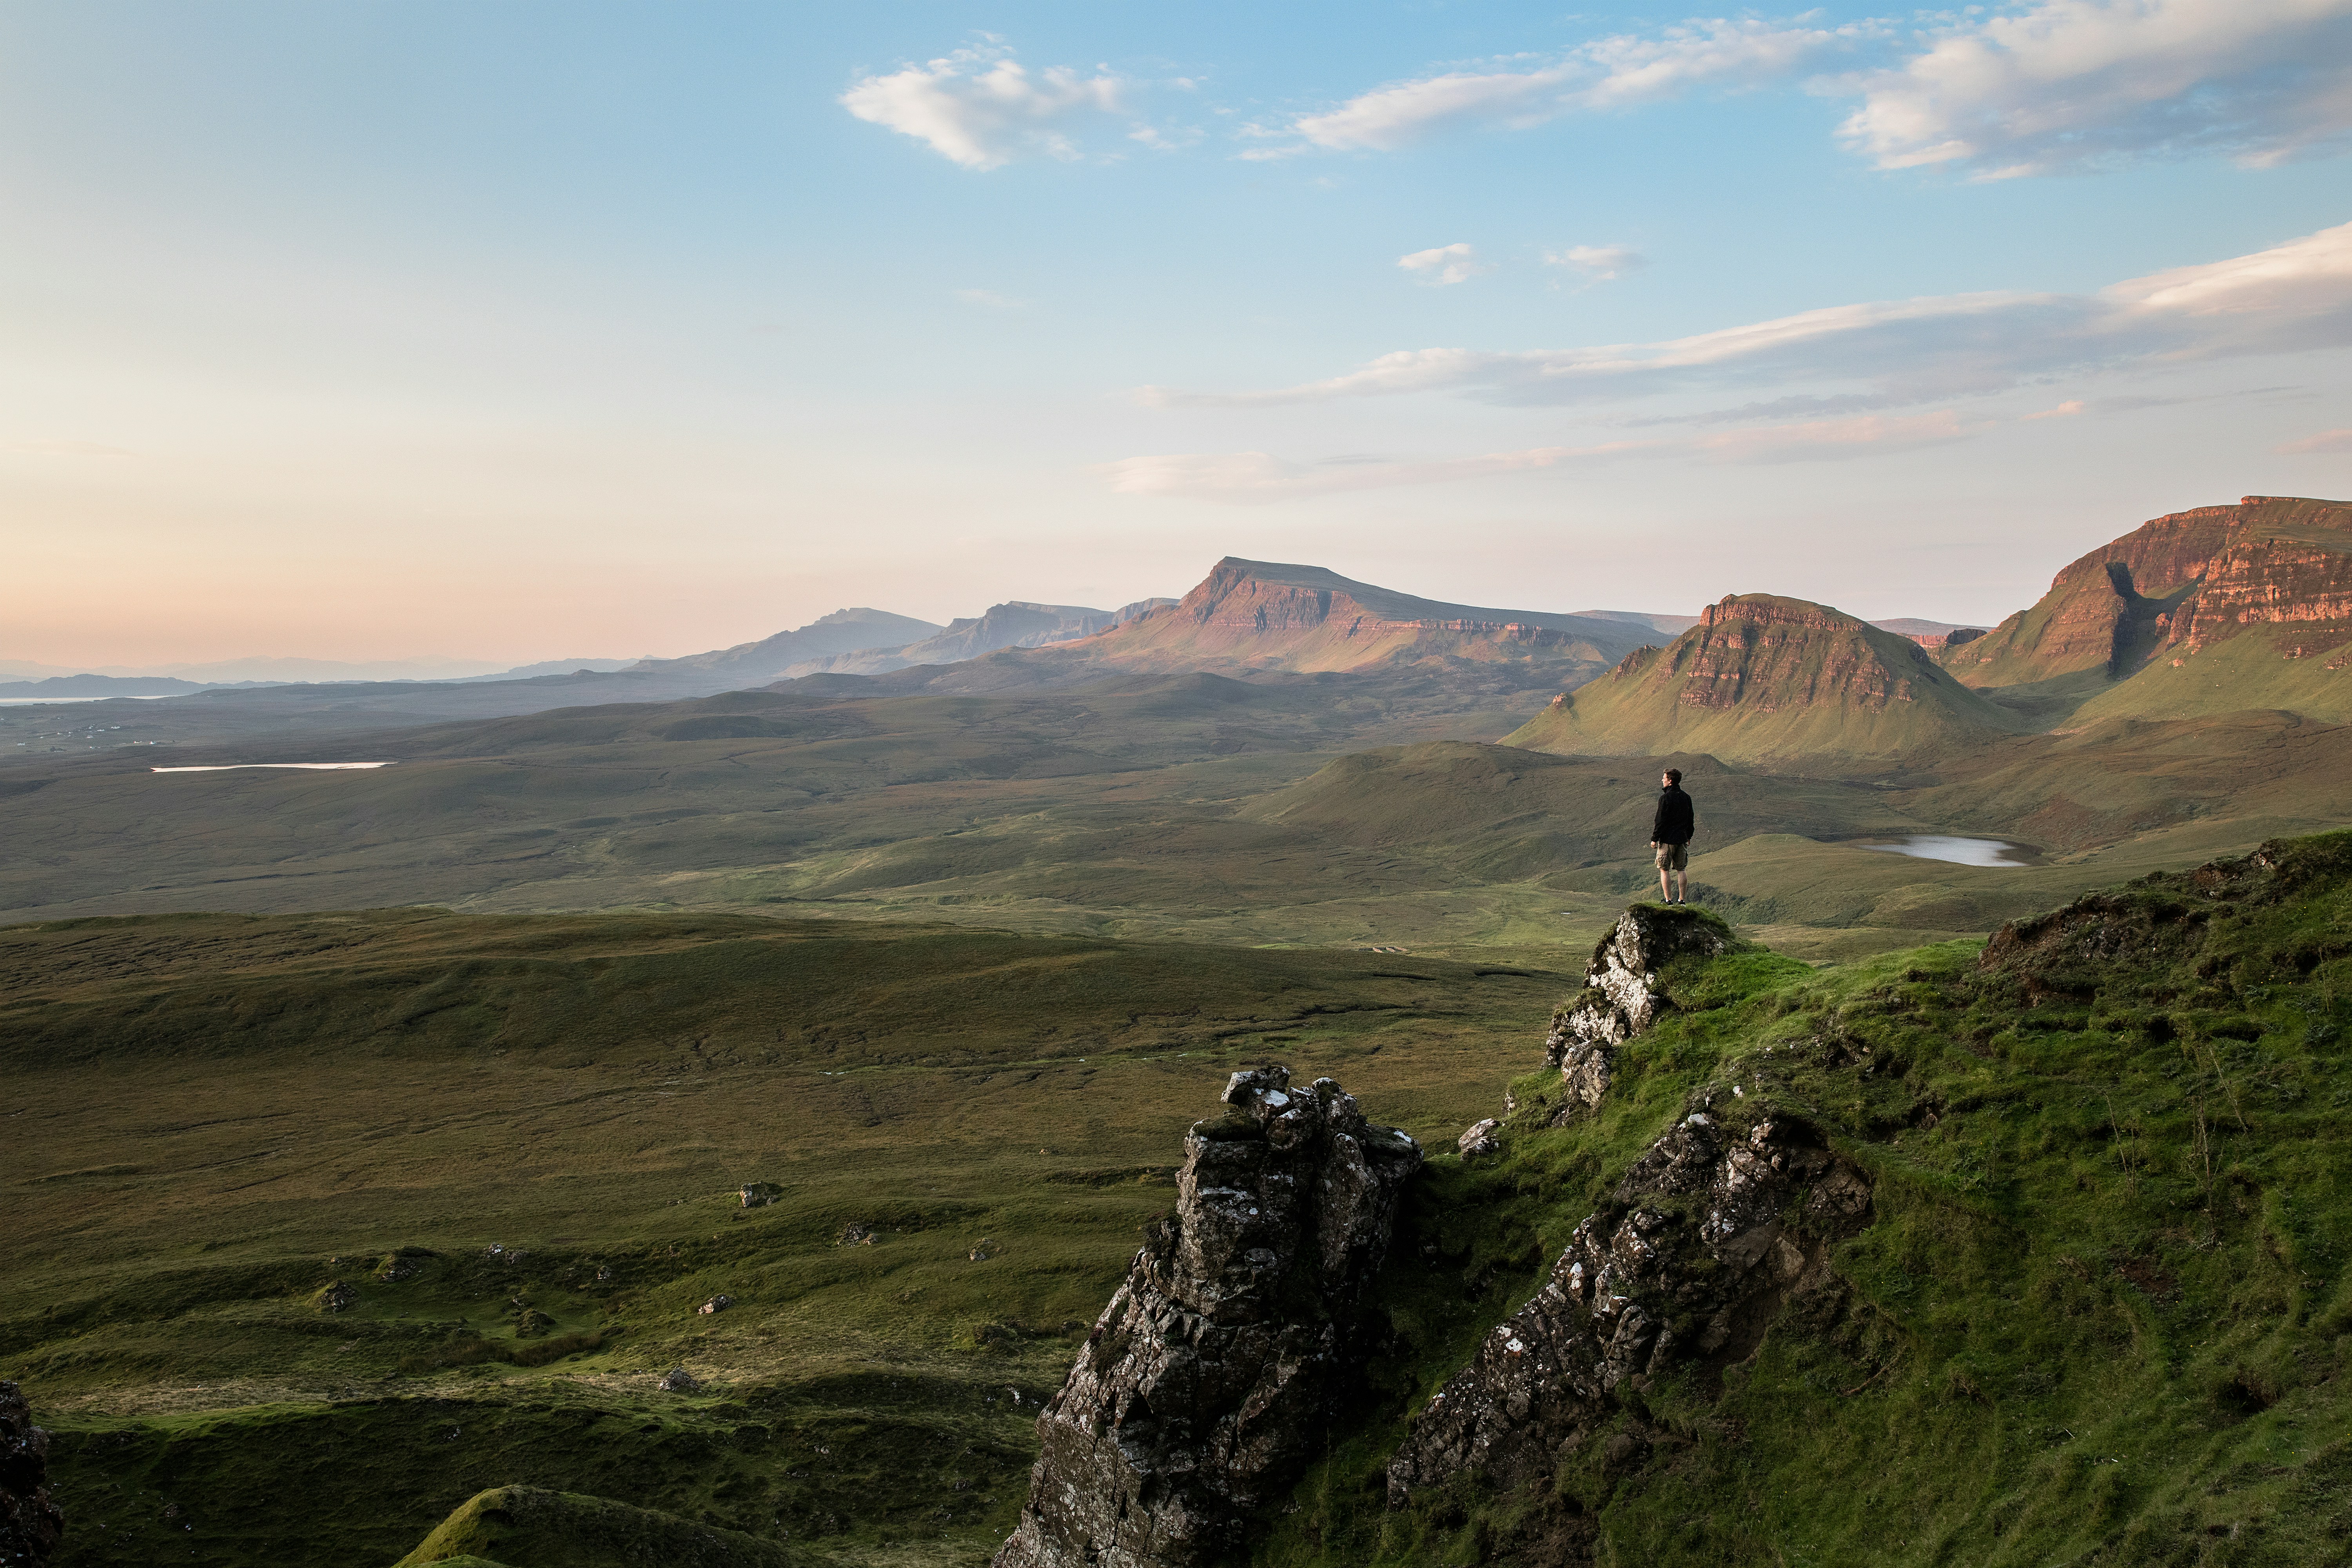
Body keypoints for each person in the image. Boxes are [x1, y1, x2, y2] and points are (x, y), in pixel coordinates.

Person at [1651, 768, 1695, 905]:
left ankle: (1668, 900)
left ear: (1670, 781)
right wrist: (1689, 836)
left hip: (1667, 840)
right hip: (1682, 839)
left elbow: (1660, 820)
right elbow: (1690, 819)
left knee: (1664, 869)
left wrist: (1654, 839)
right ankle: (1682, 901)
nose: (1662, 780)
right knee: (1681, 869)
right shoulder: (1686, 797)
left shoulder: (1665, 798)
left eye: (1664, 778)